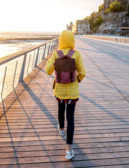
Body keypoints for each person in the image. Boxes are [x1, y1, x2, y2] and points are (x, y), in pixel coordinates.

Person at [45, 30, 85, 160]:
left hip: (59, 90)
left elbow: (48, 70)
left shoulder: (56, 54)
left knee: (60, 109)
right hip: (72, 92)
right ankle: (68, 150)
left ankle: (61, 129)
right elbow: (82, 72)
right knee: (71, 117)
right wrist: (77, 80)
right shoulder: (76, 54)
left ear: (60, 40)